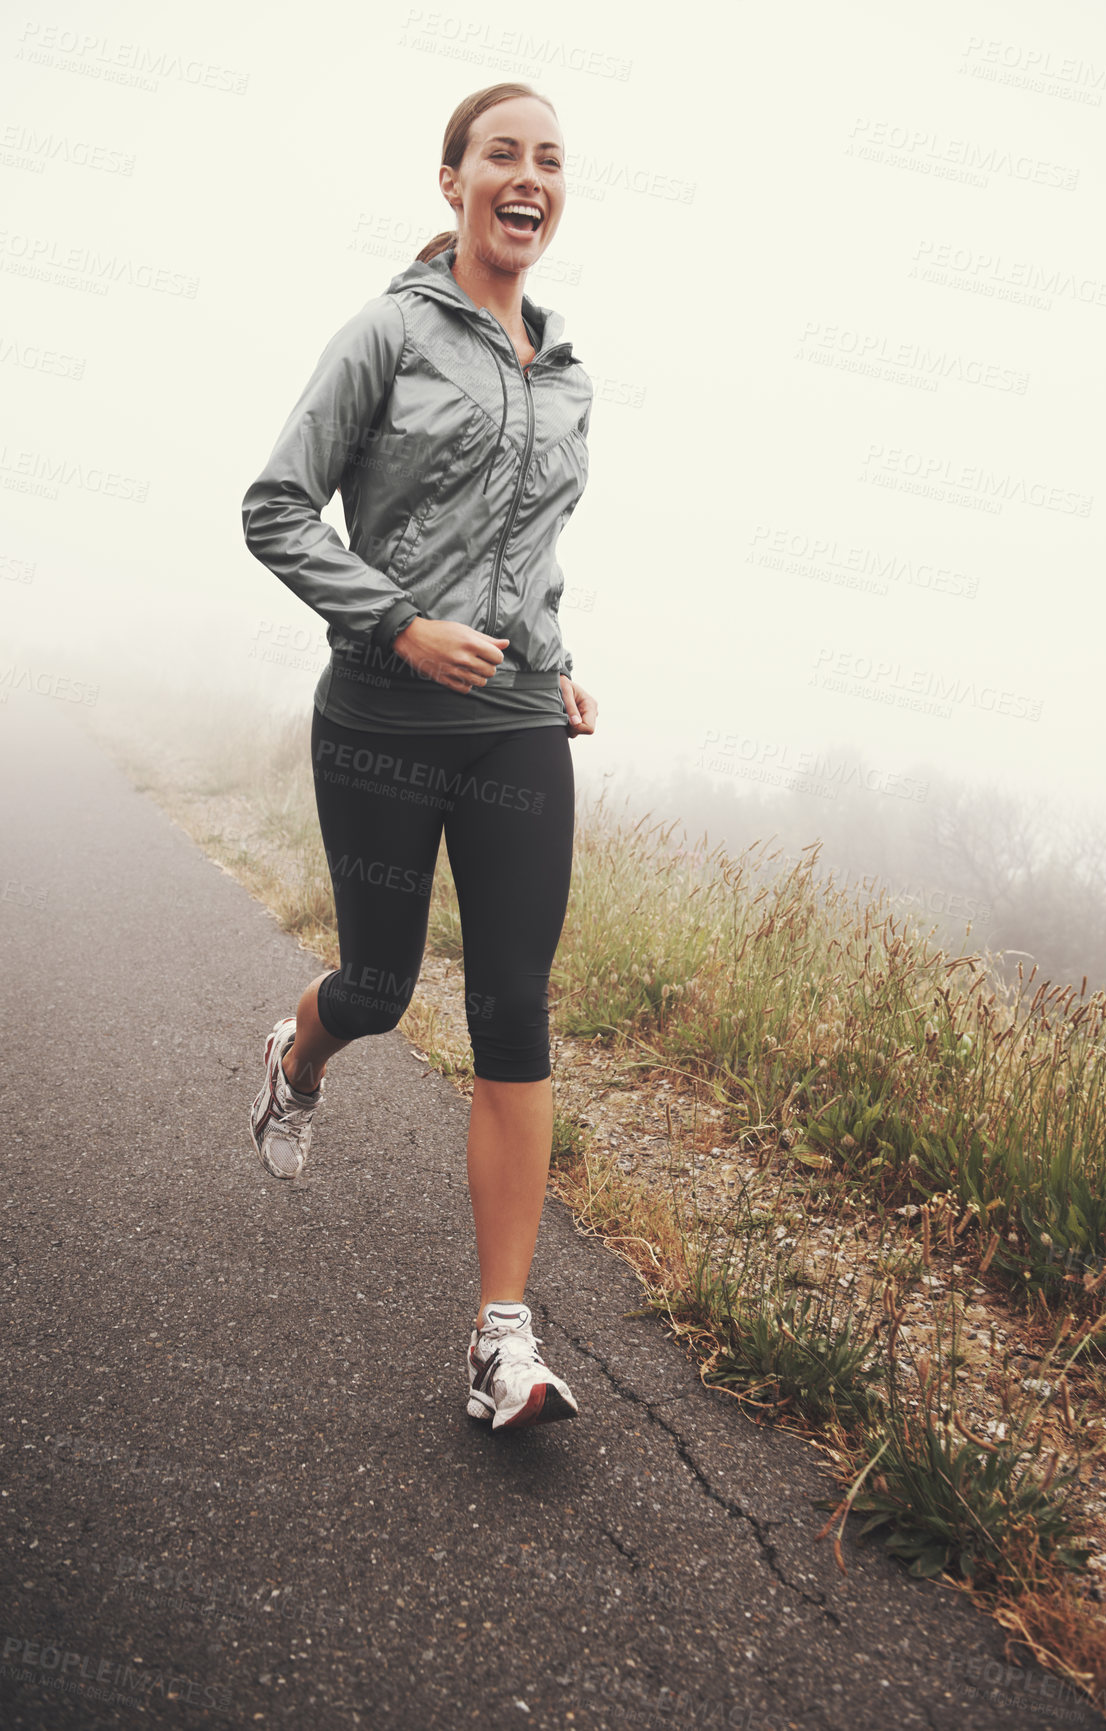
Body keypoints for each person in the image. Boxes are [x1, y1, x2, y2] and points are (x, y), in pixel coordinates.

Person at [240, 82, 597, 1431]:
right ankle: (299, 1058)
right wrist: (395, 622)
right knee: (383, 987)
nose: (528, 176)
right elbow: (275, 507)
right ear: (451, 181)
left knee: (513, 1003)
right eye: (502, 153)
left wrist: (550, 664)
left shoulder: (563, 370)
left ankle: (502, 1339)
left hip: (511, 722)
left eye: (550, 160)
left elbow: (529, 552)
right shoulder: (386, 332)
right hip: (382, 720)